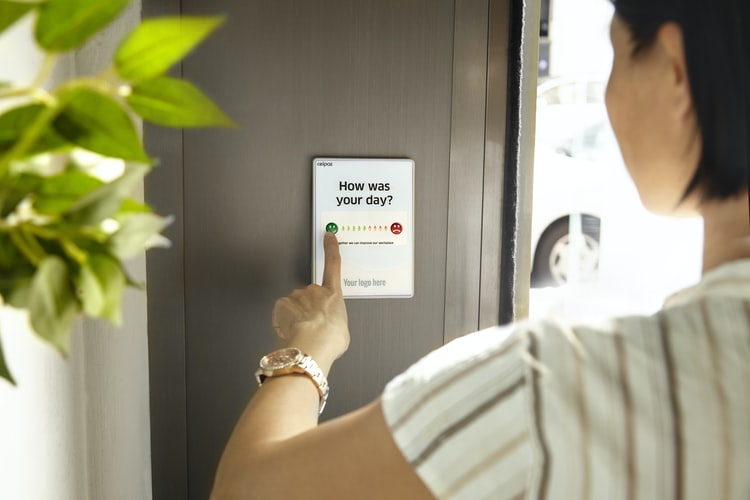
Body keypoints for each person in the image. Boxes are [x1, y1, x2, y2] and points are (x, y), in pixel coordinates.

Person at [211, 0, 750, 498]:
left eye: (616, 54)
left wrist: (313, 346)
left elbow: (247, 489)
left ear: (675, 72)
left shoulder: (549, 385)